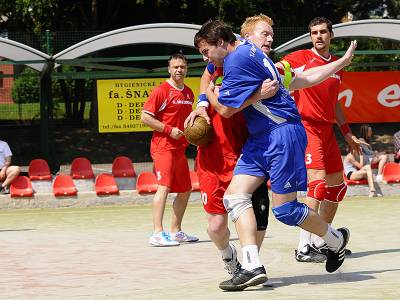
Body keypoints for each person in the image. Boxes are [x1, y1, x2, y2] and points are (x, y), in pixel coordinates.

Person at [194, 20, 355, 291]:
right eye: (264, 33)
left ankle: (335, 239)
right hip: (260, 138)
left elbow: (224, 110)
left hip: (281, 134)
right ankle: (252, 265)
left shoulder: (237, 62)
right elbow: (301, 78)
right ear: (245, 36)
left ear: (221, 43)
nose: (205, 57)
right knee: (235, 196)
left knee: (285, 210)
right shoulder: (248, 52)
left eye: (206, 50)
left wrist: (209, 95)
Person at [184, 14, 278, 282]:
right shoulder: (220, 63)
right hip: (212, 157)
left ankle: (251, 265)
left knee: (258, 213)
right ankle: (230, 258)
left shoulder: (252, 63)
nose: (268, 39)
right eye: (264, 34)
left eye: (270, 35)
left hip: (245, 152)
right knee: (216, 225)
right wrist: (202, 104)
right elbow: (206, 81)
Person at [279, 17, 362, 263]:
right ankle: (304, 247)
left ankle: (321, 240)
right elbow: (276, 67)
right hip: (306, 127)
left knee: (337, 187)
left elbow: (335, 103)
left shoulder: (337, 65)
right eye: (314, 32)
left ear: (331, 35)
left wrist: (347, 133)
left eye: (323, 32)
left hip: (327, 130)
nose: (318, 36)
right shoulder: (300, 58)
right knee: (317, 183)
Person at [141, 54, 199, 247]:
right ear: (169, 69)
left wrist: (194, 135)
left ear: (186, 68)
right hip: (162, 147)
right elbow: (145, 117)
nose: (179, 70)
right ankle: (157, 233)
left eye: (182, 66)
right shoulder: (161, 91)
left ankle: (175, 231)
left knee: (185, 190)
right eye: (175, 67)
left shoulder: (189, 93)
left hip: (179, 148)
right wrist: (168, 129)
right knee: (164, 187)